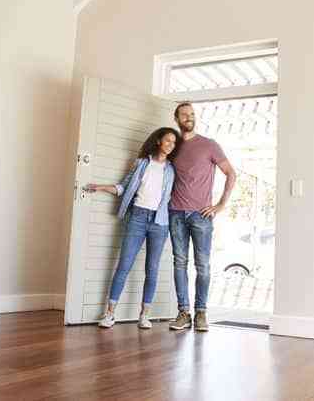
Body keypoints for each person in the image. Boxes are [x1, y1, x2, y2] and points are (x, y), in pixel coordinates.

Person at [85, 127, 181, 329]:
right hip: (137, 217)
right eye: (168, 141)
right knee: (124, 265)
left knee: (152, 269)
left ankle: (144, 315)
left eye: (174, 142)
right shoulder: (141, 164)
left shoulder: (172, 170)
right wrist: (100, 187)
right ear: (158, 142)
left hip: (159, 223)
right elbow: (122, 188)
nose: (171, 145)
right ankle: (110, 314)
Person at [168, 102, 237, 332]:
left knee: (203, 266)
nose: (189, 117)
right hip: (175, 213)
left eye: (192, 114)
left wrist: (220, 205)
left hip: (201, 216)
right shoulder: (173, 147)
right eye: (184, 115)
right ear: (176, 119)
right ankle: (183, 313)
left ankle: (200, 313)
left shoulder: (209, 145)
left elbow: (230, 174)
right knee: (179, 263)